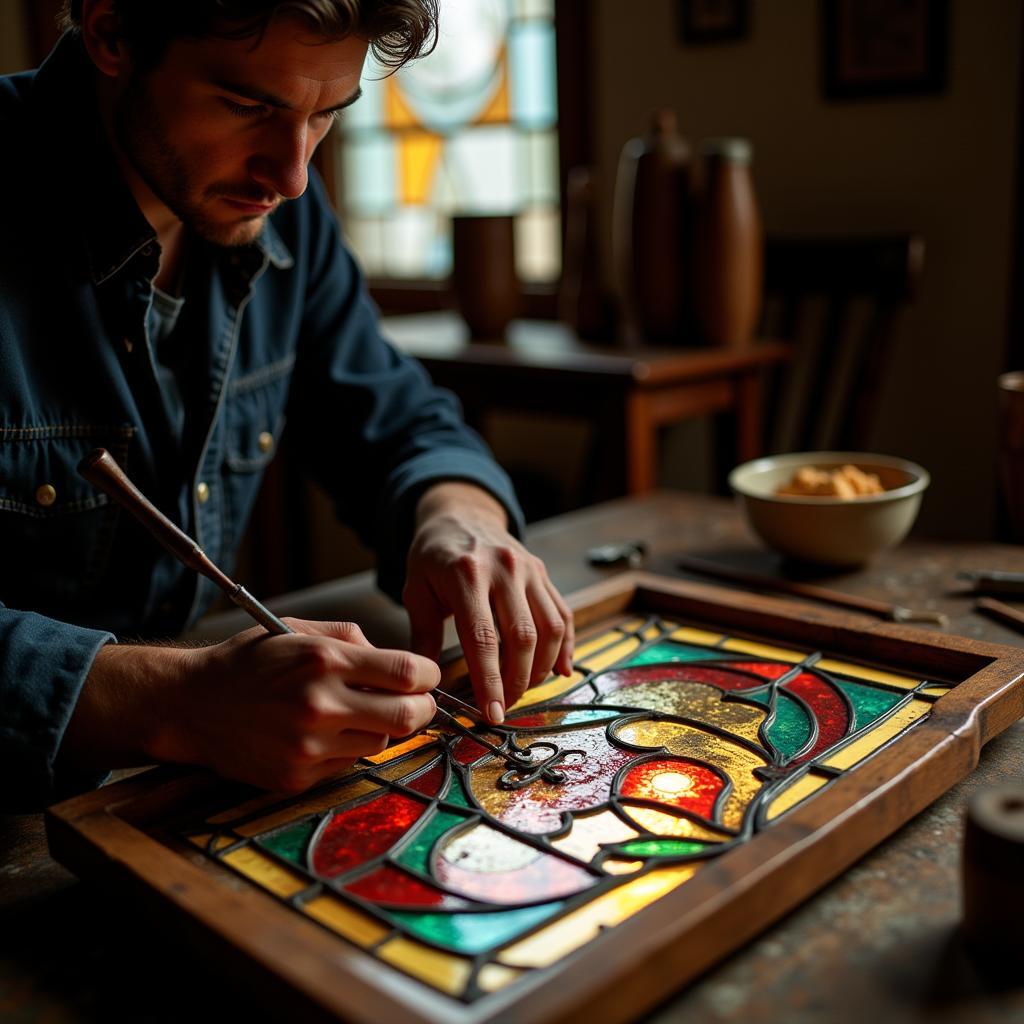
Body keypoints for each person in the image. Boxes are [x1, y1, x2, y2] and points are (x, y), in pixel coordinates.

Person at [0, 0, 574, 811]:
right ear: (112, 32)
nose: (293, 174)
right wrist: (174, 701)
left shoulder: (280, 213)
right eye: (247, 107)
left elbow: (398, 419)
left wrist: (459, 515)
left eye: (327, 116)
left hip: (157, 796)